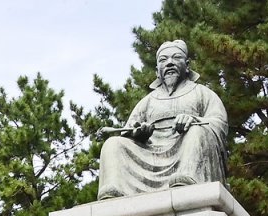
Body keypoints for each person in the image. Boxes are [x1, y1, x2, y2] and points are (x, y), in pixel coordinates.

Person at [98, 39, 228, 198]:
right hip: (151, 154)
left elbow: (219, 123)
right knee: (113, 143)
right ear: (156, 71)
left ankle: (187, 177)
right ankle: (116, 188)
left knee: (197, 132)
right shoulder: (148, 101)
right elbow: (128, 130)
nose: (170, 63)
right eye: (163, 60)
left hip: (187, 150)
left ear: (187, 65)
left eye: (176, 58)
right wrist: (140, 134)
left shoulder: (202, 93)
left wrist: (194, 121)